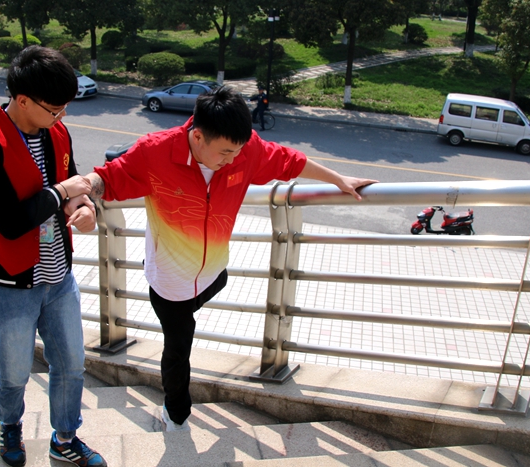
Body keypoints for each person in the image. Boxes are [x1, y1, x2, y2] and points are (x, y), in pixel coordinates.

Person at [84, 86, 378, 432]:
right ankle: (176, 416)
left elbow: (290, 160)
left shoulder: (245, 149)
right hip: (169, 283)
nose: (232, 159)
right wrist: (80, 197)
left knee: (215, 285)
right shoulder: (155, 151)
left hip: (213, 271)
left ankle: (190, 308)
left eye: (237, 152)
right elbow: (106, 178)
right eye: (225, 152)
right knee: (178, 348)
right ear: (197, 136)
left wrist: (339, 179)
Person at [0, 45, 107, 467]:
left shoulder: (56, 132)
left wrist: (85, 208)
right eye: (53, 109)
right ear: (22, 99)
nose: (60, 116)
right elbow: (10, 222)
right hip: (6, 281)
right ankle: (10, 426)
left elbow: (71, 184)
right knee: (14, 370)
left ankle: (65, 438)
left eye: (64, 108)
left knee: (72, 364)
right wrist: (62, 192)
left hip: (57, 274)